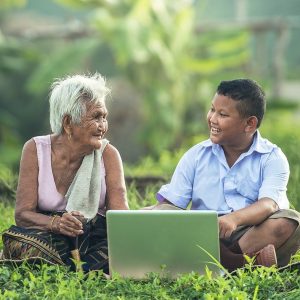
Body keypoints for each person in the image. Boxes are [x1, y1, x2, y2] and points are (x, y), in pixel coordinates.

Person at [151, 79, 300, 272]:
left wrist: (234, 219)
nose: (212, 118)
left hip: (250, 234)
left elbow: (269, 204)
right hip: (203, 234)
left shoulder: (272, 157)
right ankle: (240, 264)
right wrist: (147, 214)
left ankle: (216, 262)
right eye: (212, 110)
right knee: (163, 212)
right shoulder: (196, 155)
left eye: (222, 114)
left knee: (288, 221)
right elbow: (171, 204)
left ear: (249, 124)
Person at [1, 73, 129, 273]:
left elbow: (121, 221)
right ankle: (82, 269)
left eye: (104, 117)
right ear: (68, 122)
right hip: (50, 236)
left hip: (95, 238)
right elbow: (23, 215)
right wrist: (57, 223)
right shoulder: (35, 149)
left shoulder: (109, 155)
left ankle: (74, 268)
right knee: (24, 245)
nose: (103, 126)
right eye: (96, 117)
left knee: (119, 252)